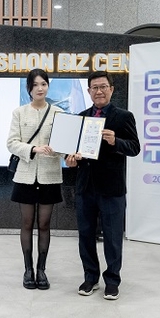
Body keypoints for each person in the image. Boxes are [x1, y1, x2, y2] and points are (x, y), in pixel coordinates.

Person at [65, 71, 140, 300]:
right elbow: (73, 152)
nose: (99, 91)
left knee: (113, 237)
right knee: (85, 235)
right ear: (88, 91)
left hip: (111, 188)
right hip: (85, 187)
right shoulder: (80, 118)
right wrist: (71, 160)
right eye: (94, 88)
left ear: (111, 89)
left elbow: (134, 148)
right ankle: (90, 277)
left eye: (103, 87)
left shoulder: (123, 117)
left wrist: (115, 141)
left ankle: (112, 281)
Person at [7, 68, 63, 290]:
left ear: (48, 86)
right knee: (27, 223)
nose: (40, 88)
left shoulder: (58, 113)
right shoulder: (19, 113)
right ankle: (28, 269)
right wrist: (33, 149)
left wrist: (59, 151)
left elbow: (64, 145)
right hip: (25, 175)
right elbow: (12, 143)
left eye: (44, 84)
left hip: (50, 175)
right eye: (35, 84)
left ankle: (42, 270)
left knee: (45, 224)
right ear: (29, 88)